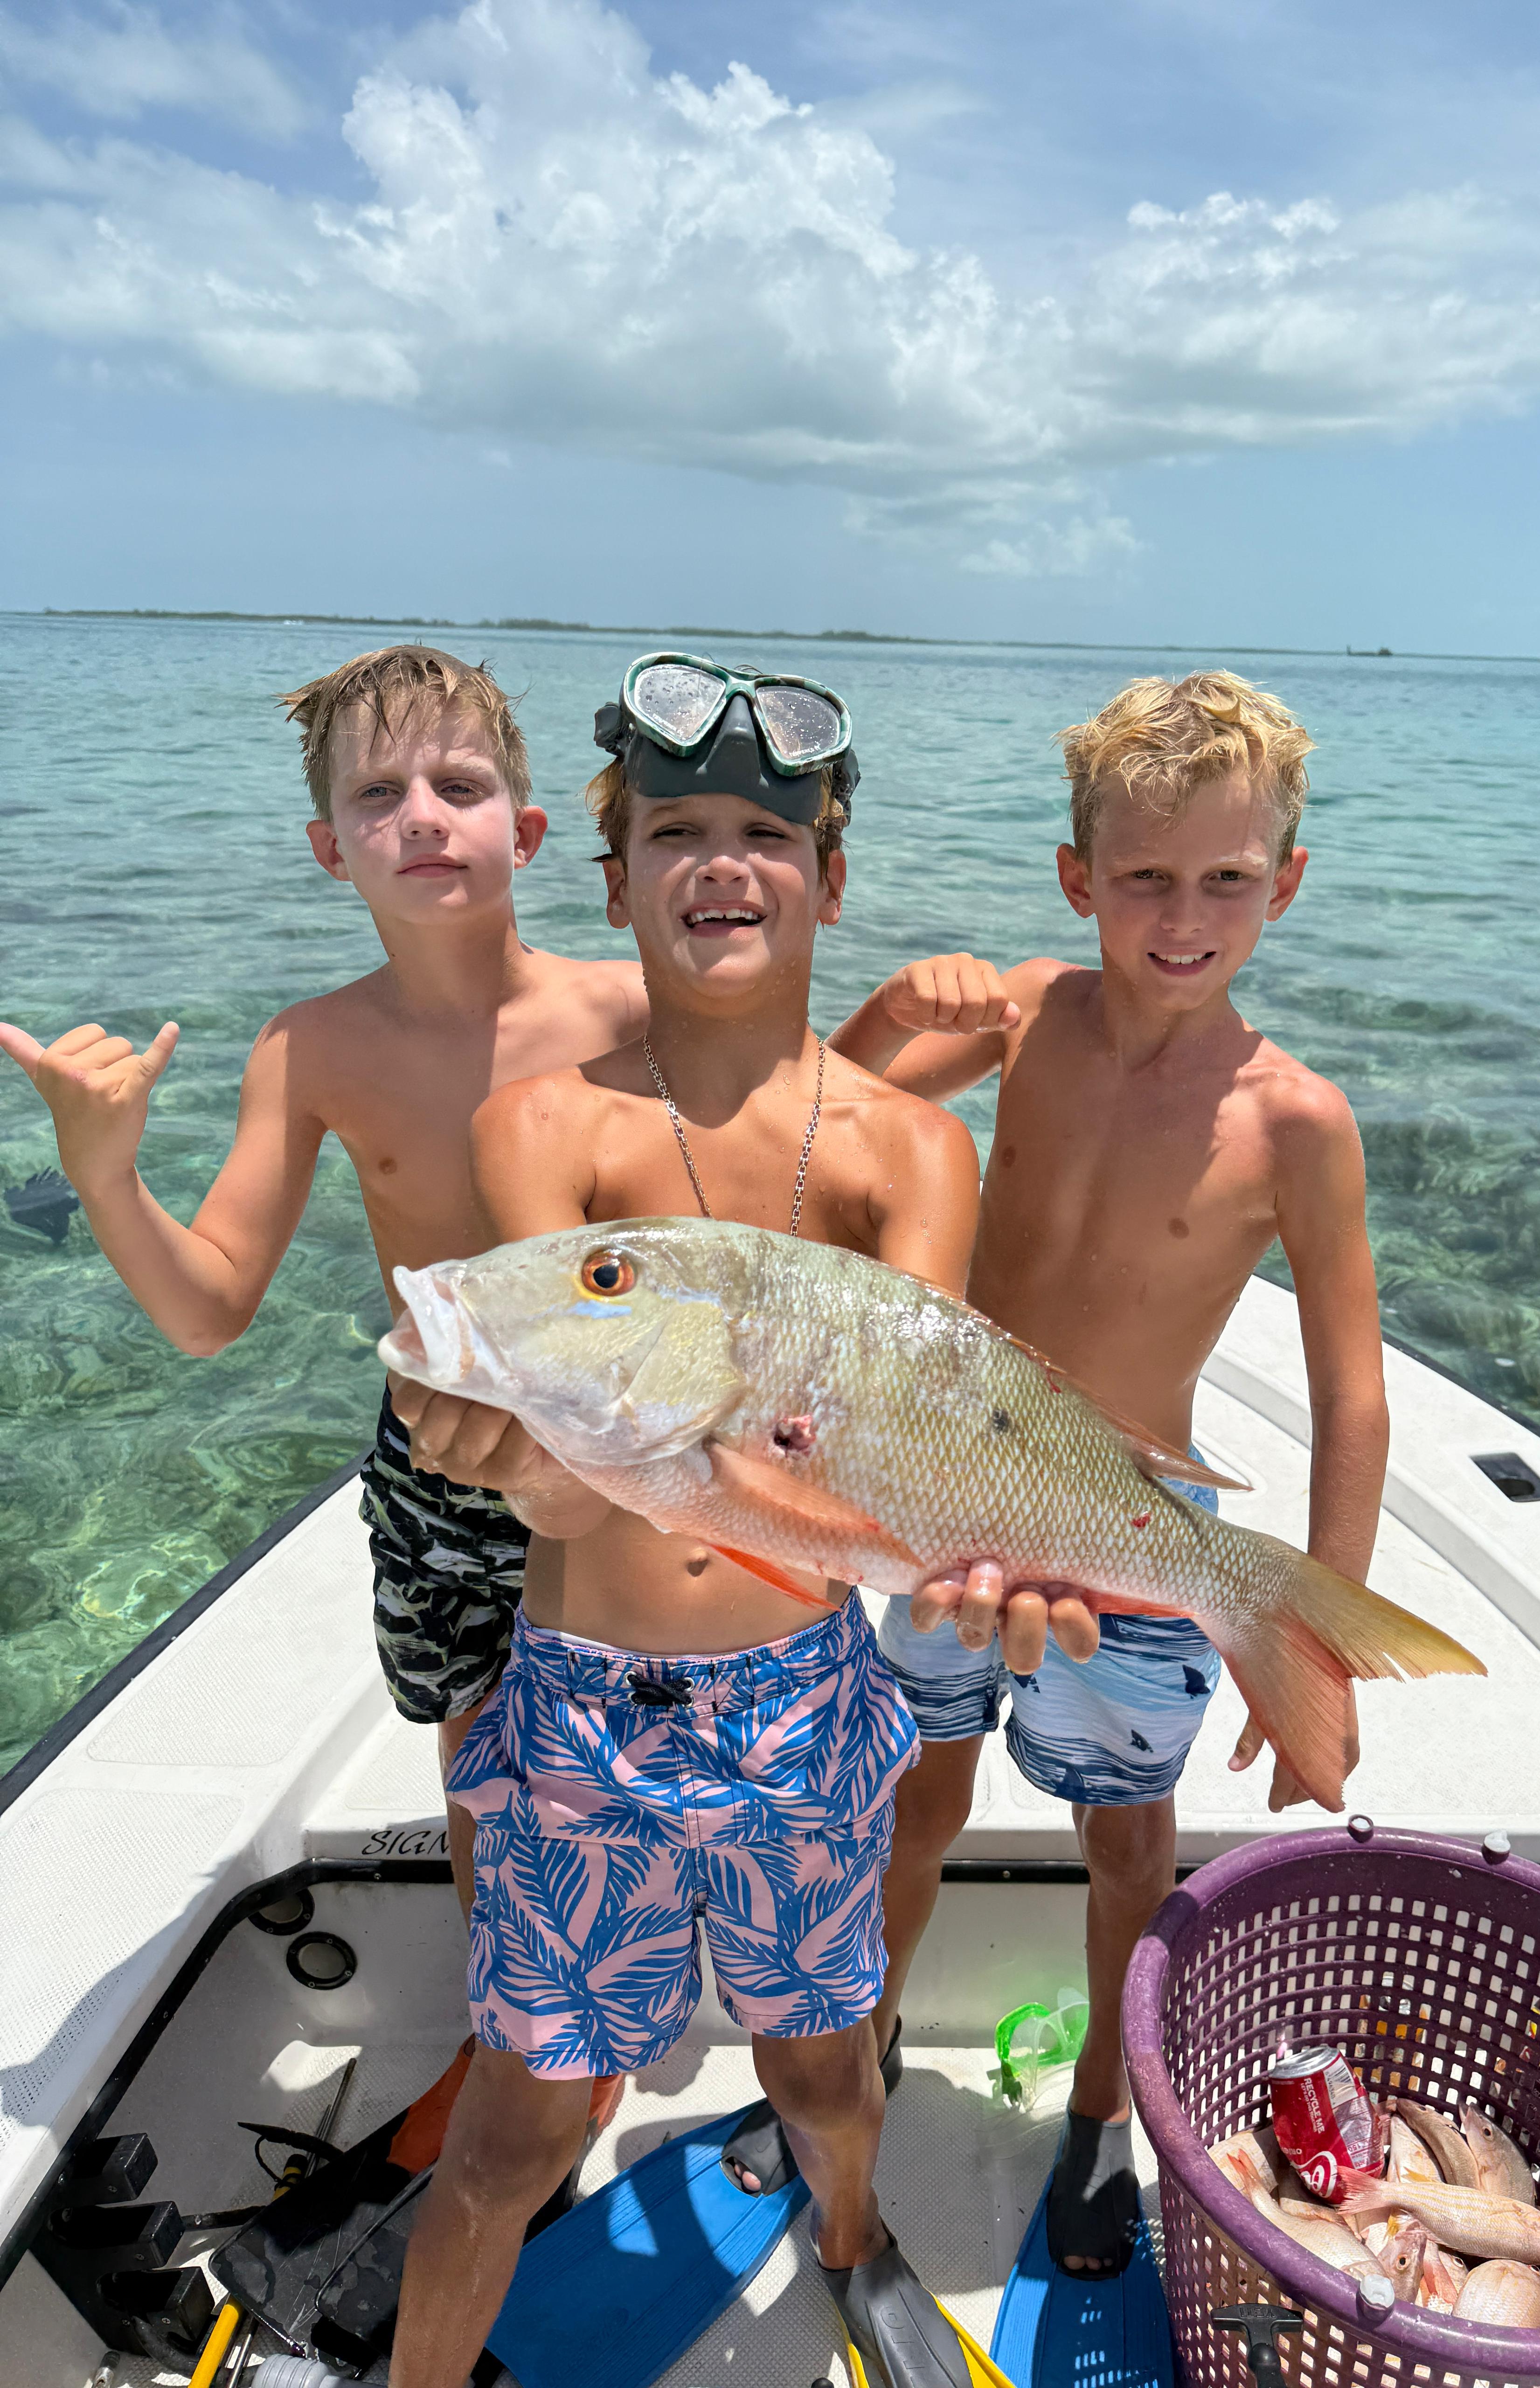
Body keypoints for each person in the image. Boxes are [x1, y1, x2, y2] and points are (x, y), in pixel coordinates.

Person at [381, 655, 986, 2388]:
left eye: (763, 833)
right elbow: (564, 1446)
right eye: (677, 833)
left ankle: (856, 2250)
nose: (723, 863)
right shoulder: (541, 1123)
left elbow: (903, 1452)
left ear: (832, 876)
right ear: (619, 875)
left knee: (821, 2070)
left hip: (806, 1705)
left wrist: (992, 1565)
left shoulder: (913, 1151)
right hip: (583, 1718)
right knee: (516, 2131)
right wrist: (491, 1454)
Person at [826, 669, 1388, 2283]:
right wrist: (890, 1011)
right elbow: (826, 1122)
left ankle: (1100, 2121)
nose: (1183, 914)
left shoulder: (1299, 1124)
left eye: (1226, 879)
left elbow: (1355, 1401)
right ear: (1079, 876)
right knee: (910, 1800)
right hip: (947, 1499)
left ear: (1284, 882)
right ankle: (855, 2067)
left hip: (1137, 1528)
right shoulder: (1021, 1014)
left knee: (1130, 1847)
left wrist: (1319, 1651)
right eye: (1144, 876)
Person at [0, 645, 648, 1921]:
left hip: (609, 1453)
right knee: (482, 1774)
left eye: (457, 783)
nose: (418, 813)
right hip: (438, 1472)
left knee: (630, 1759)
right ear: (326, 848)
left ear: (524, 830)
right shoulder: (312, 1048)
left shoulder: (632, 1014)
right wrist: (108, 1175)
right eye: (377, 794)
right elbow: (208, 1310)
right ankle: (502, 2015)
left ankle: (625, 2003)